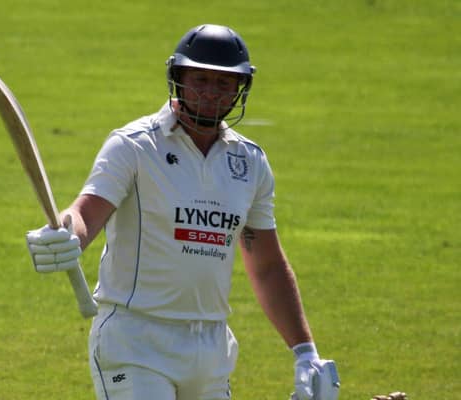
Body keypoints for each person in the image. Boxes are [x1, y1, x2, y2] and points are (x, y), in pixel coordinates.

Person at [26, 24, 340, 400]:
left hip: (211, 348)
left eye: (224, 83)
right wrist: (66, 232)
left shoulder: (250, 162)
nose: (211, 93)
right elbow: (87, 213)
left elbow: (268, 266)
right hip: (135, 340)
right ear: (178, 78)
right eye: (200, 79)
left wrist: (306, 353)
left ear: (241, 88)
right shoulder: (133, 145)